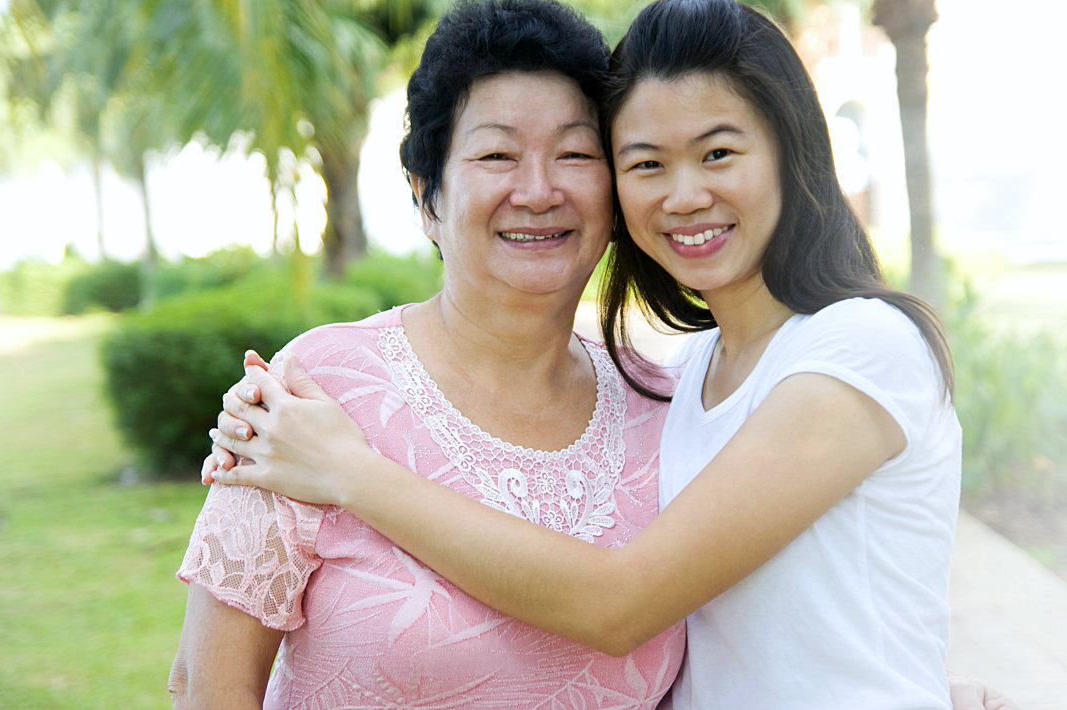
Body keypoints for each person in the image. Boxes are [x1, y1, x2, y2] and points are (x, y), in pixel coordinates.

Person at [205, 0, 998, 708]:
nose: (684, 194)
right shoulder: (685, 384)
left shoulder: (848, 350)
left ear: (791, 155)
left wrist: (353, 474)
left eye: (718, 153)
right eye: (648, 163)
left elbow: (623, 606)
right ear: (426, 195)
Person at [168, 2, 688, 707]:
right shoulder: (312, 393)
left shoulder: (666, 412)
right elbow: (207, 688)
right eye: (497, 155)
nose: (538, 191)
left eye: (575, 153)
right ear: (427, 197)